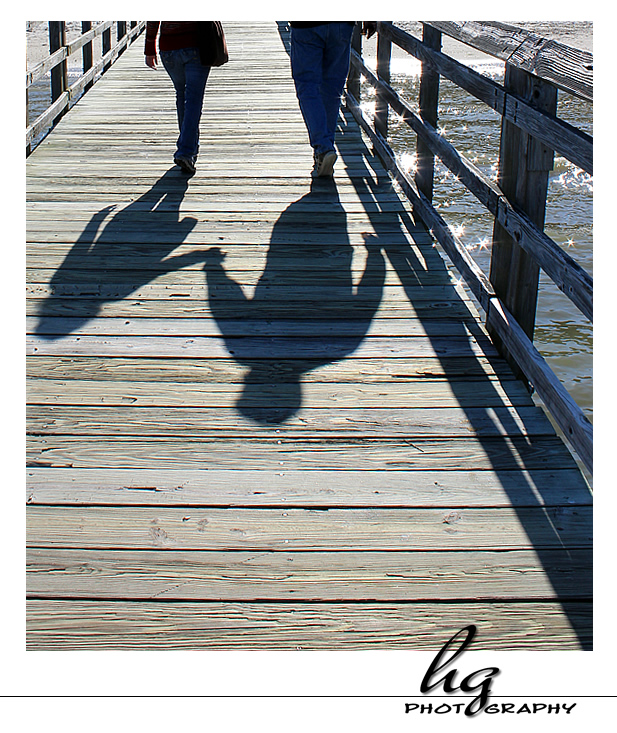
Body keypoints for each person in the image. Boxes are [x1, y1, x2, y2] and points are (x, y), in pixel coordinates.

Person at [289, 22, 376, 178]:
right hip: (341, 24)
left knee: (308, 86)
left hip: (306, 24)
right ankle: (324, 148)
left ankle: (323, 148)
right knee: (332, 88)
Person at [145, 22, 210, 175]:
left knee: (182, 95)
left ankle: (188, 150)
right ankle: (186, 152)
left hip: (169, 48)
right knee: (193, 100)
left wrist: (149, 49)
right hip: (196, 46)